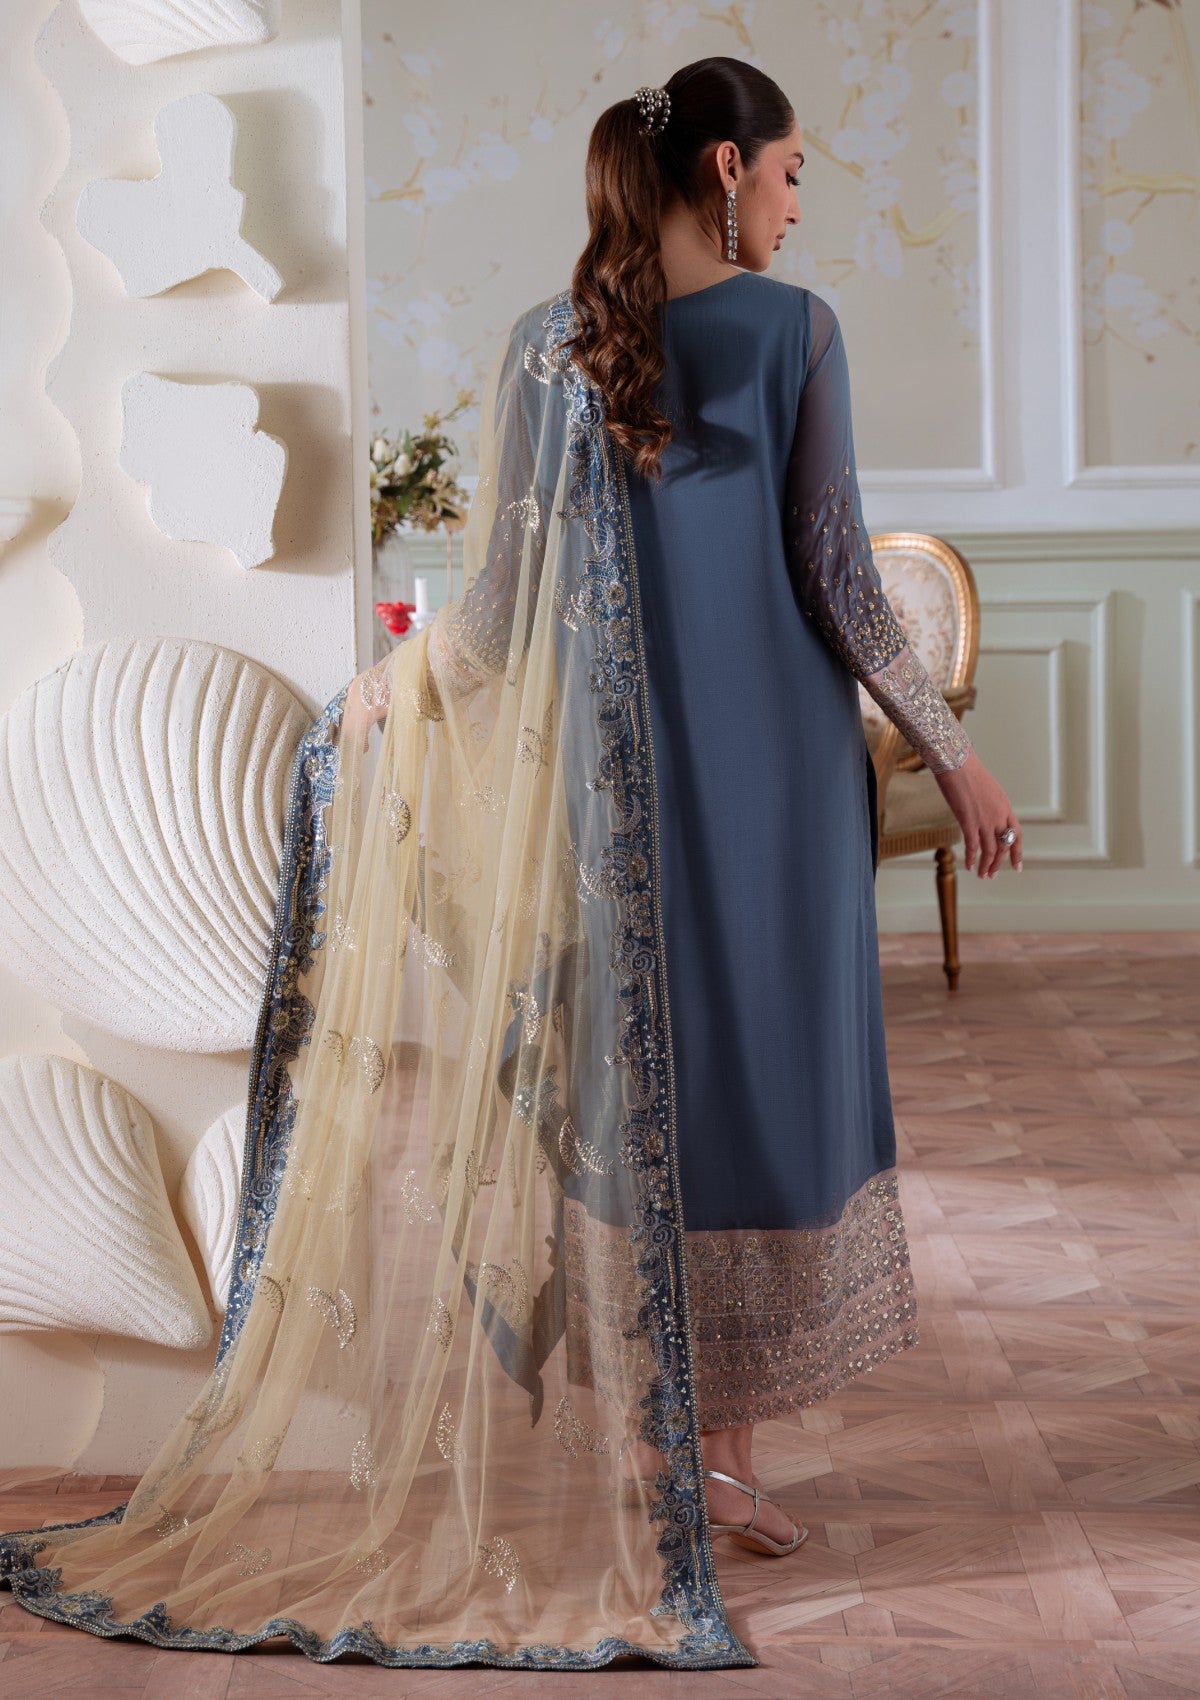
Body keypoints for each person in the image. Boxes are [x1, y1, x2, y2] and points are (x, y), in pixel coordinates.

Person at [0, 56, 1020, 1672]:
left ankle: (683, 1460)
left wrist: (384, 697)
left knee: (667, 1091)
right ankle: (707, 1460)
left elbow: (485, 617)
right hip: (768, 784)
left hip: (625, 794)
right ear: (727, 168)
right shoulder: (785, 333)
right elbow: (838, 577)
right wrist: (956, 754)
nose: (796, 204)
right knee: (747, 1096)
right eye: (790, 174)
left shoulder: (551, 344)